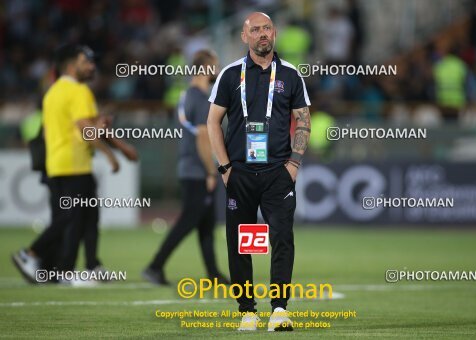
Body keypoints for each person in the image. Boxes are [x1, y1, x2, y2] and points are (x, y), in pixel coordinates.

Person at [207, 12, 311, 332]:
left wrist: (294, 163)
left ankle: (279, 309)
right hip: (239, 172)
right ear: (244, 36)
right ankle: (247, 311)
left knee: (281, 238)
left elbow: (303, 121)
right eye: (255, 30)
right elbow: (212, 122)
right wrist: (224, 168)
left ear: (275, 33)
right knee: (242, 242)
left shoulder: (291, 75)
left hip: (278, 174)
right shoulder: (229, 74)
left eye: (267, 28)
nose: (262, 34)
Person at [12, 44, 138, 284]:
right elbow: (85, 128)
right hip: (74, 163)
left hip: (57, 162)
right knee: (71, 217)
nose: (92, 66)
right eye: (86, 61)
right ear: (71, 65)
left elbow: (60, 129)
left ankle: (83, 267)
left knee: (86, 216)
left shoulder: (52, 92)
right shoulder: (79, 91)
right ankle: (30, 253)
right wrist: (114, 153)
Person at [142, 50, 229, 286]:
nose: (218, 71)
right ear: (205, 68)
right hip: (197, 170)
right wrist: (211, 171)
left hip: (189, 166)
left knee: (206, 225)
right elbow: (203, 136)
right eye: (216, 65)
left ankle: (213, 274)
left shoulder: (187, 95)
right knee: (188, 222)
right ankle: (154, 266)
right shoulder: (201, 98)